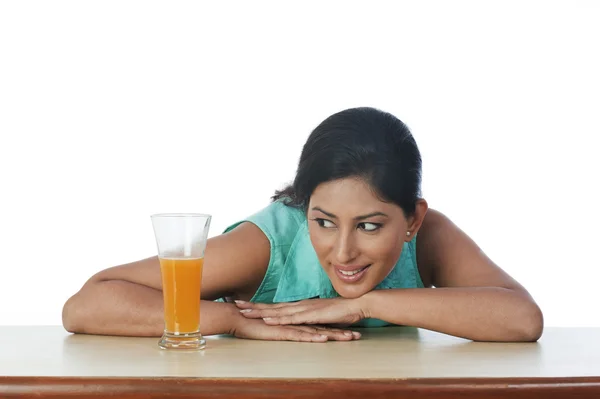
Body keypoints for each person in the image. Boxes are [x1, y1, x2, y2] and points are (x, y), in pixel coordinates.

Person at [62, 107, 543, 343]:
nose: (343, 252)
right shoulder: (266, 244)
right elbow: (88, 303)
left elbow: (522, 319)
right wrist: (232, 321)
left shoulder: (430, 234)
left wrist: (363, 306)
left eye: (371, 226)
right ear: (303, 206)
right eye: (324, 221)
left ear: (412, 219)